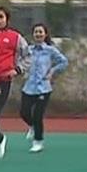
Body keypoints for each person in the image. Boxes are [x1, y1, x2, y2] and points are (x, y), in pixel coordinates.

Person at [0, 6, 30, 158]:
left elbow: (28, 56)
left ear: (7, 19)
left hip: (2, 81)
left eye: (1, 17)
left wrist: (18, 69)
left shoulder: (15, 37)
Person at [20, 23, 68, 153]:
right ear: (33, 34)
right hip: (29, 86)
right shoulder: (28, 50)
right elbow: (20, 60)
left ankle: (38, 141)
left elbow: (64, 61)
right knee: (24, 112)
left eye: (40, 32)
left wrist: (52, 71)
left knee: (37, 115)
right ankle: (32, 126)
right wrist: (23, 70)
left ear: (45, 34)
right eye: (36, 32)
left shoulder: (50, 50)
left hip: (43, 88)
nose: (38, 34)